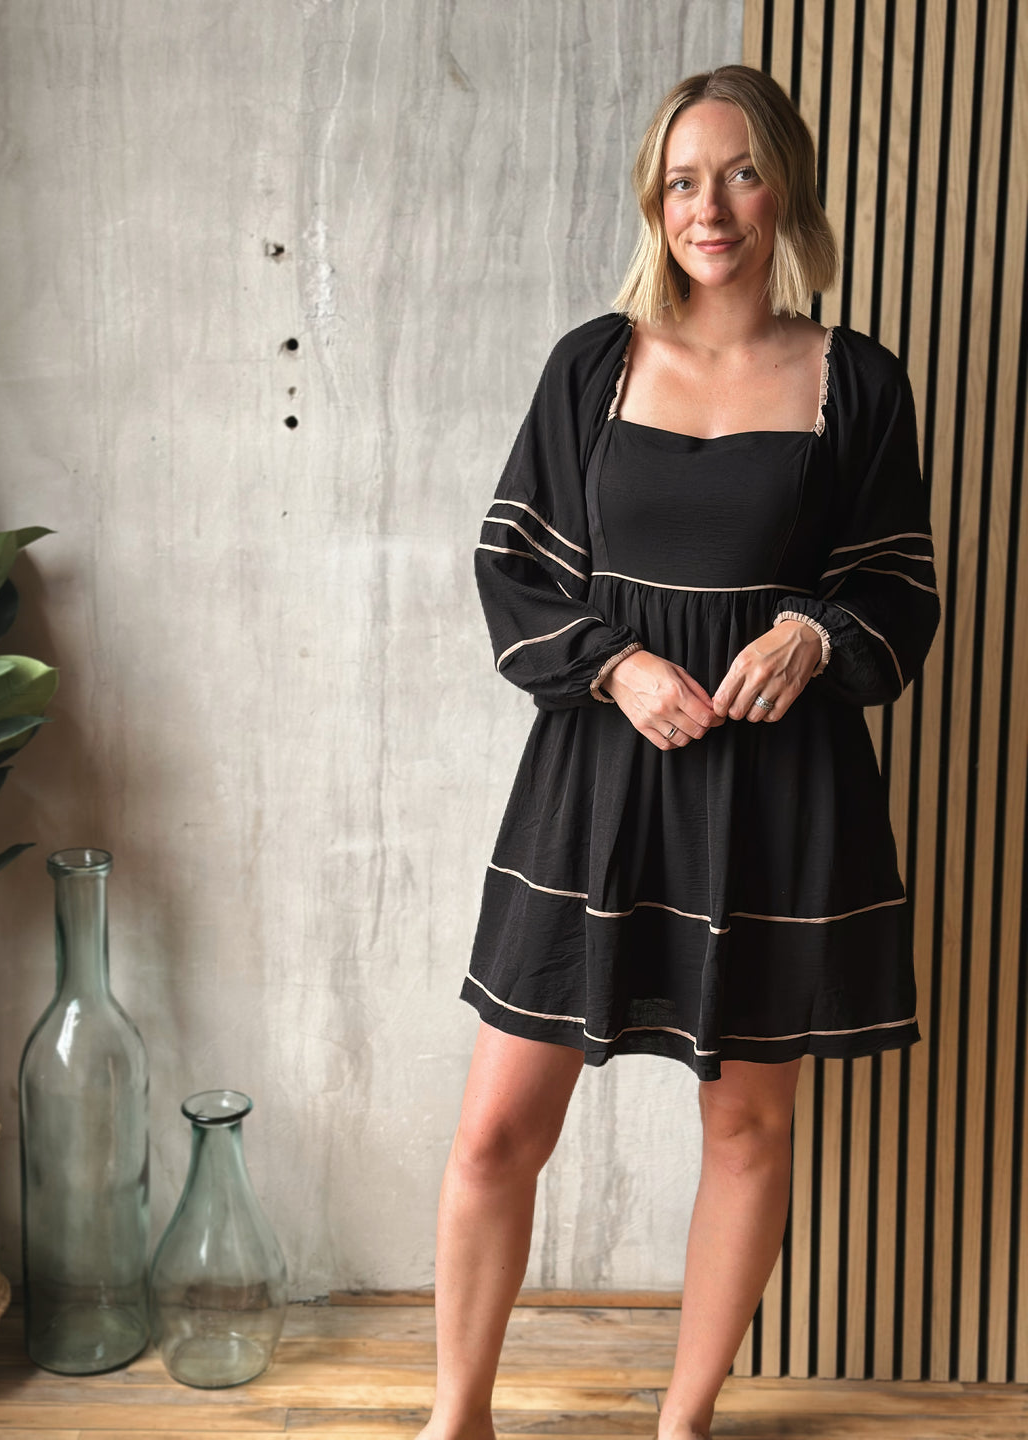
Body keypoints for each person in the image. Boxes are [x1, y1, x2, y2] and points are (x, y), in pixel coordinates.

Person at [421, 65, 940, 1440]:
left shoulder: (859, 381)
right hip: (597, 775)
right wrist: (617, 664)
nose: (711, 205)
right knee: (493, 1134)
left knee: (747, 1132)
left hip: (776, 795)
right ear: (655, 195)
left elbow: (902, 586)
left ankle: (683, 1421)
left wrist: (818, 638)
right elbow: (511, 563)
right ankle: (455, 1419)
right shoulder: (594, 362)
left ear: (789, 192)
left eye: (744, 172)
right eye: (686, 176)